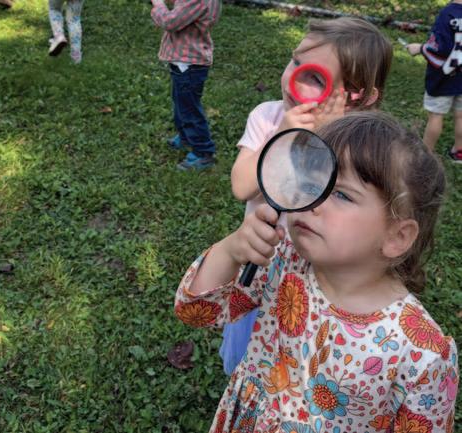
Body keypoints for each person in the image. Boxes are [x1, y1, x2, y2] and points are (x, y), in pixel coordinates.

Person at [174, 111, 458, 432]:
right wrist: (230, 250)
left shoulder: (421, 353)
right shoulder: (283, 261)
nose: (313, 200)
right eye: (311, 182)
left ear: (397, 237)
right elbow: (195, 311)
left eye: (341, 194)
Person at [221, 17, 393, 376]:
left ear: (359, 97)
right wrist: (281, 139)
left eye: (315, 77)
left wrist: (325, 139)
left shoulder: (358, 147)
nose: (293, 79)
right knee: (246, 351)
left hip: (315, 280)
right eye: (295, 61)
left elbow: (333, 207)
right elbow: (241, 186)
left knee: (296, 364)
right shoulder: (268, 117)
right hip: (260, 265)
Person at [150, 0, 221, 171]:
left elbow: (170, 22)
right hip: (183, 62)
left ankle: (203, 152)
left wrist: (158, 5)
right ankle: (186, 137)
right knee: (181, 104)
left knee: (189, 109)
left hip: (189, 64)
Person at [406, 0, 462, 162]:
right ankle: (459, 152)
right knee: (460, 116)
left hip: (443, 78)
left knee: (436, 116)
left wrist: (420, 48)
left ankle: (425, 156)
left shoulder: (448, 14)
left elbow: (439, 49)